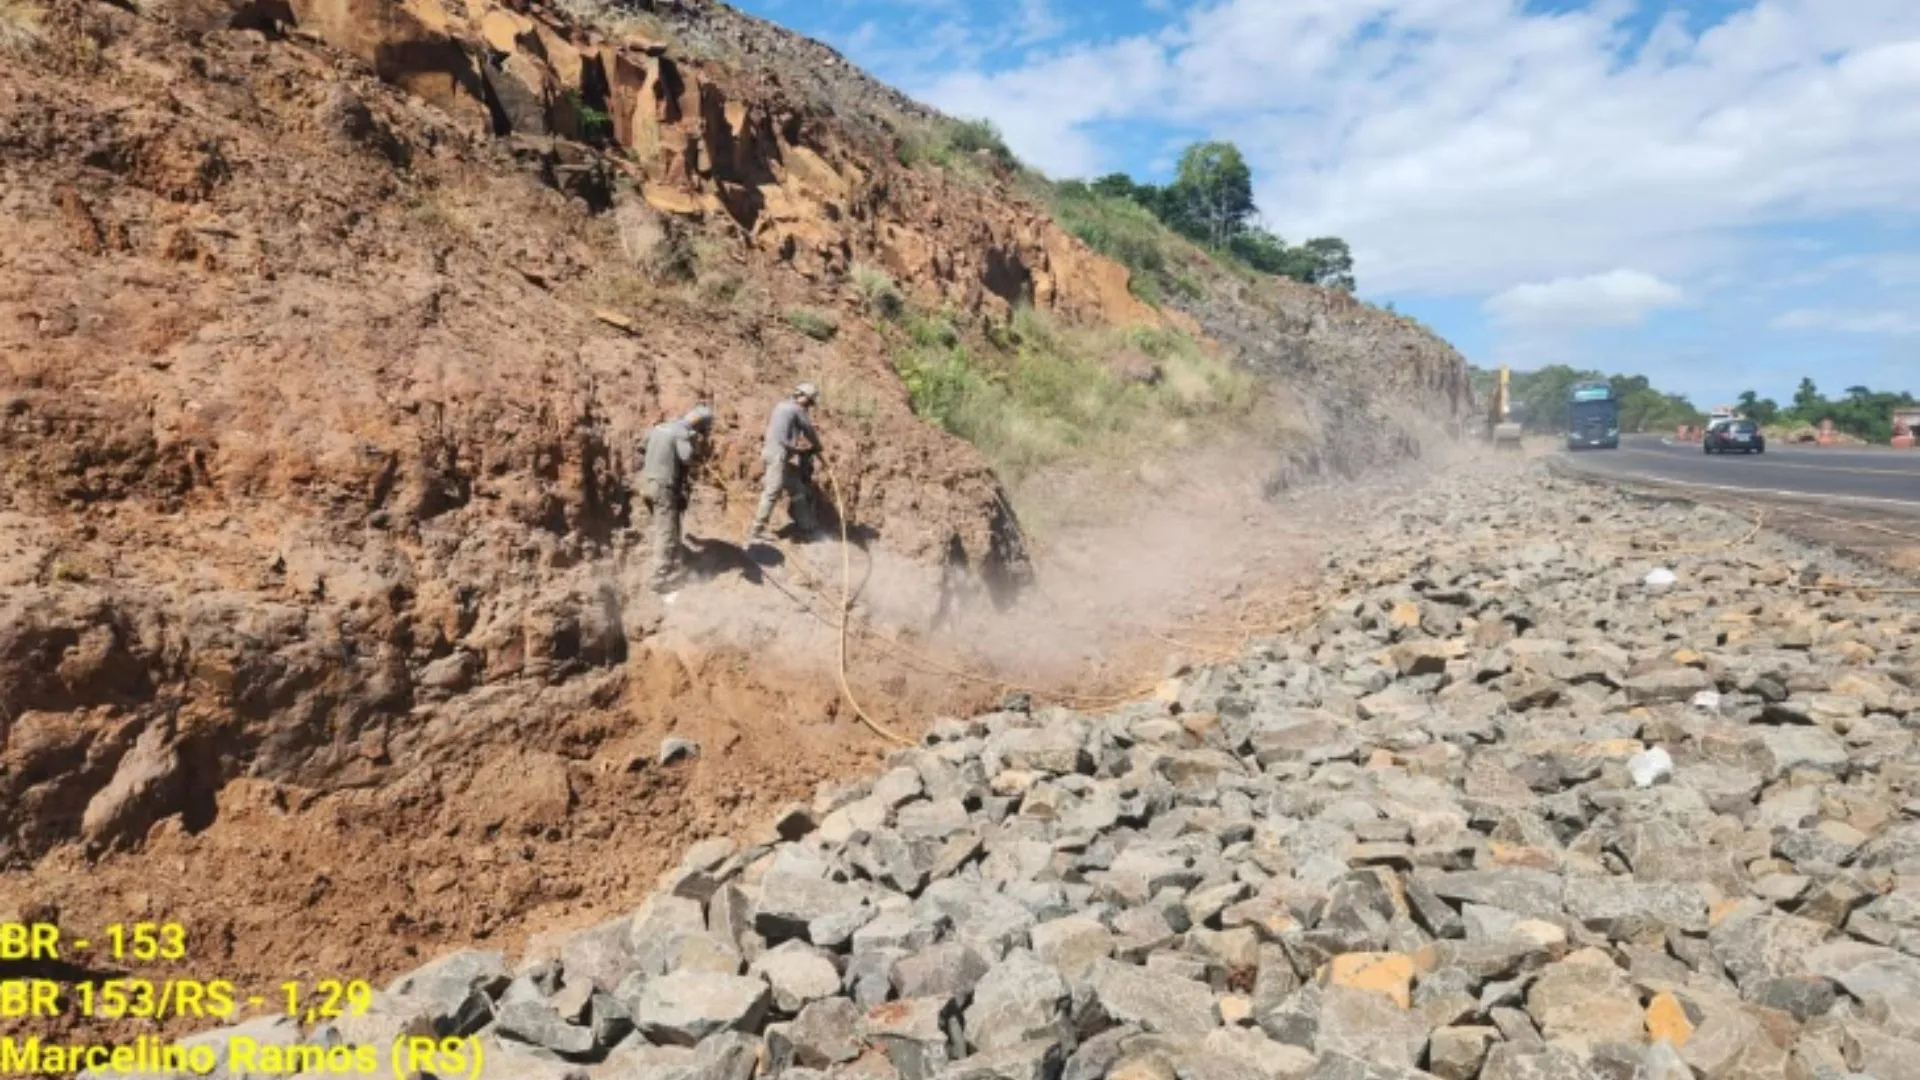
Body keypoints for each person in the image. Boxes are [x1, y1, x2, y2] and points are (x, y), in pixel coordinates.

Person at [637, 405, 713, 592]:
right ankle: (659, 577)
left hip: (648, 483)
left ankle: (676, 559)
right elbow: (687, 458)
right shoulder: (683, 433)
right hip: (664, 487)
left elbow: (641, 446)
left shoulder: (661, 427)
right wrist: (695, 443)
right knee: (667, 532)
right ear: (699, 424)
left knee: (668, 525)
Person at [747, 382, 822, 543]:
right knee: (772, 492)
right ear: (803, 397)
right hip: (777, 456)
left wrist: (796, 448)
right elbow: (808, 430)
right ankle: (756, 531)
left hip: (772, 452)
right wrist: (818, 447)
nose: (809, 406)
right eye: (809, 402)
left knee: (797, 487)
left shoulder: (781, 406)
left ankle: (805, 525)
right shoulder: (797, 409)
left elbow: (785, 432)